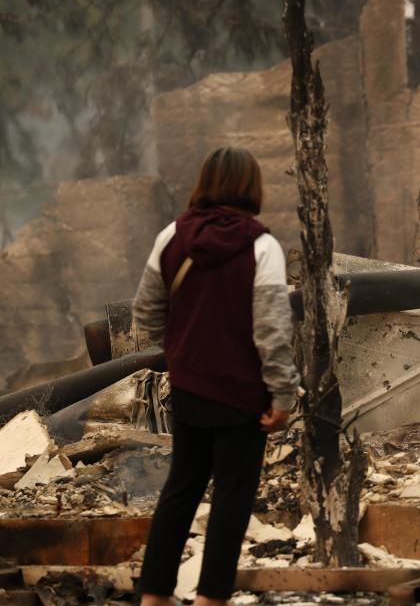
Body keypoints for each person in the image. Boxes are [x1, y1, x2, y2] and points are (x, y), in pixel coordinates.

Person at [132, 146, 301, 606]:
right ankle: (211, 600)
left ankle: (154, 598)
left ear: (204, 183)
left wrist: (182, 349)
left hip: (188, 390)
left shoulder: (171, 237)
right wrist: (284, 396)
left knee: (179, 493)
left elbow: (145, 312)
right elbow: (271, 331)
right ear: (252, 187)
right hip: (243, 398)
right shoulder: (262, 248)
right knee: (231, 501)